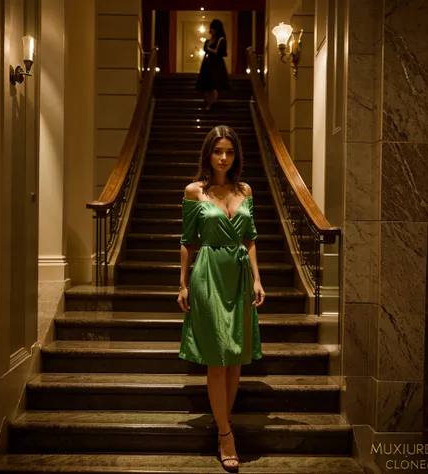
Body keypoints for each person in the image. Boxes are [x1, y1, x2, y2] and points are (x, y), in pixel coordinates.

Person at [177, 125, 265, 472]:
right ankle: (226, 435)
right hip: (209, 274)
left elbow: (250, 238)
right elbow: (187, 240)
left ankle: (222, 421)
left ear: (236, 155)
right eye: (217, 151)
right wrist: (183, 284)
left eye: (229, 151)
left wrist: (258, 279)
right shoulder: (194, 191)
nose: (223, 157)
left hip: (240, 277)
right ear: (207, 154)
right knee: (218, 356)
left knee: (236, 357)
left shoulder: (245, 189)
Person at [196, 19, 231, 110]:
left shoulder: (221, 40)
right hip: (208, 64)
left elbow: (220, 52)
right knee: (207, 85)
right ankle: (209, 102)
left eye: (214, 28)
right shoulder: (210, 40)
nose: (212, 30)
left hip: (216, 64)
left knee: (214, 84)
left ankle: (211, 104)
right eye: (212, 28)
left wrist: (207, 48)